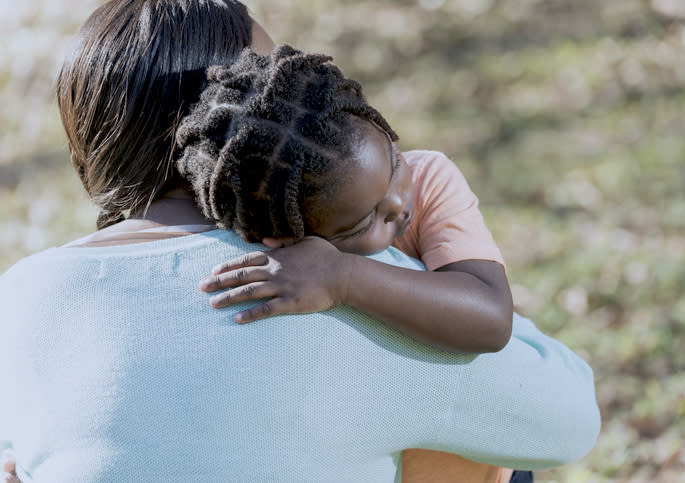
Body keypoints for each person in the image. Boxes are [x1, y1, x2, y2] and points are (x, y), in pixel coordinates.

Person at [0, 1, 600, 481]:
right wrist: (412, 271)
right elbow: (568, 420)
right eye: (274, 78)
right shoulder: (330, 286)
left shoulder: (23, 295)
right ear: (234, 133)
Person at [192, 47, 513, 356]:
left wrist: (343, 277)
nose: (399, 204)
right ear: (288, 238)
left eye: (395, 162)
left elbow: (492, 319)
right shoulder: (277, 225)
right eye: (366, 219)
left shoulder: (430, 178)